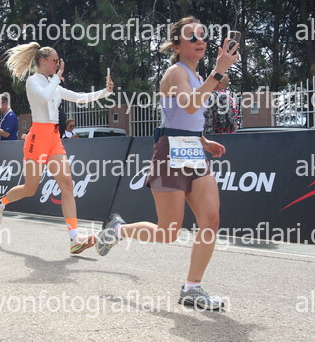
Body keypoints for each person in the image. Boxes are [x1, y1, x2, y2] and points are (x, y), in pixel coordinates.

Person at [96, 16, 239, 310]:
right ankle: (118, 230)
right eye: (191, 37)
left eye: (202, 35)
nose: (200, 41)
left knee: (211, 220)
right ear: (176, 46)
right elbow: (189, 104)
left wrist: (203, 141)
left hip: (191, 149)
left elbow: (183, 118)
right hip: (169, 151)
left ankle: (192, 288)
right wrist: (219, 72)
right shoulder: (175, 73)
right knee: (168, 231)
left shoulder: (198, 77)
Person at [0, 42, 114, 254]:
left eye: (58, 61)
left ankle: (74, 238)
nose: (57, 64)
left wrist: (105, 92)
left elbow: (79, 98)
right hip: (37, 137)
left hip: (54, 137)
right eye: (55, 60)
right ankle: (0, 202)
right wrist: (57, 78)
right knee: (30, 189)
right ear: (42, 60)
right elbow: (45, 96)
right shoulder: (33, 81)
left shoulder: (53, 83)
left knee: (67, 184)